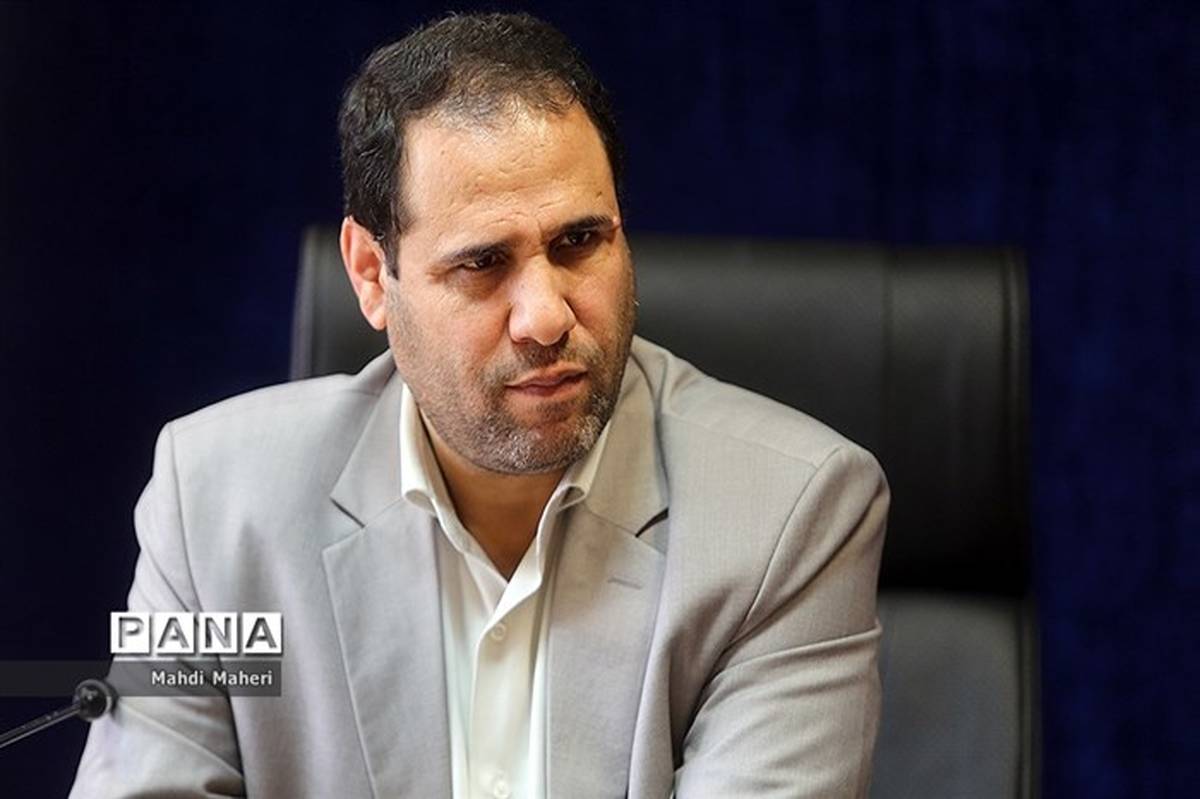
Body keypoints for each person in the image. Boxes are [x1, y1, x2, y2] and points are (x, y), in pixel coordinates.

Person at [71, 11, 888, 798]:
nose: (546, 317)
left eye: (579, 242)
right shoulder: (213, 506)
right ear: (370, 274)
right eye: (483, 263)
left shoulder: (788, 515)